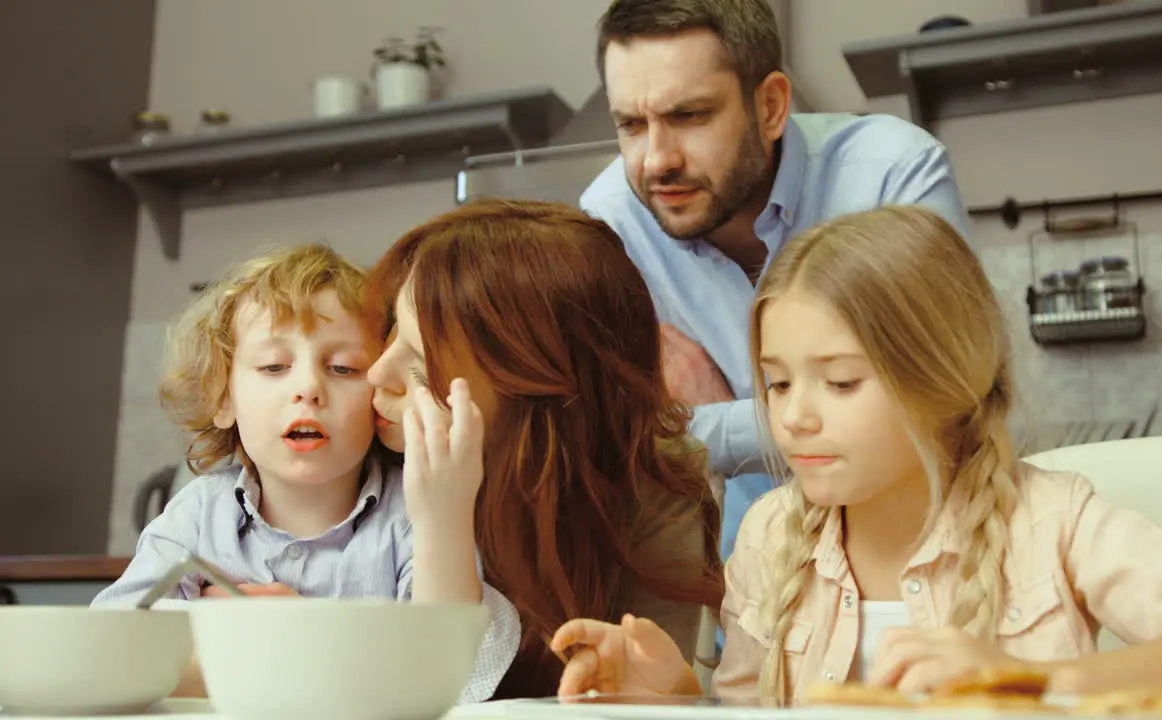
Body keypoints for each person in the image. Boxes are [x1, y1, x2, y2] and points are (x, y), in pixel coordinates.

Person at [550, 206, 1162, 703]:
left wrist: (1035, 682)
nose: (792, 416)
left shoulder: (1054, 521)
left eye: (840, 382)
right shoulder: (770, 535)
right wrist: (668, 696)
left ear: (944, 380)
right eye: (775, 382)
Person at [581, 0, 970, 558]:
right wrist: (833, 405)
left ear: (769, 106)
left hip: (924, 563)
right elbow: (610, 441)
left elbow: (936, 399)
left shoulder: (891, 175)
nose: (655, 160)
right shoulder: (610, 224)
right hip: (743, 595)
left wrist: (714, 422)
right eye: (632, 125)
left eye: (689, 115)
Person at [93, 244, 520, 703]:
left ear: (378, 394)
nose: (309, 389)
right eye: (274, 366)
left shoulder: (416, 513)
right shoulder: (195, 515)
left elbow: (450, 670)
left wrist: (289, 638)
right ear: (223, 399)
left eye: (342, 368)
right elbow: (112, 649)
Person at [364, 198, 725, 699]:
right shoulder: (357, 466)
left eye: (423, 368)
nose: (376, 375)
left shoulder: (652, 490)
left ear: (533, 399)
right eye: (390, 336)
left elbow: (645, 696)